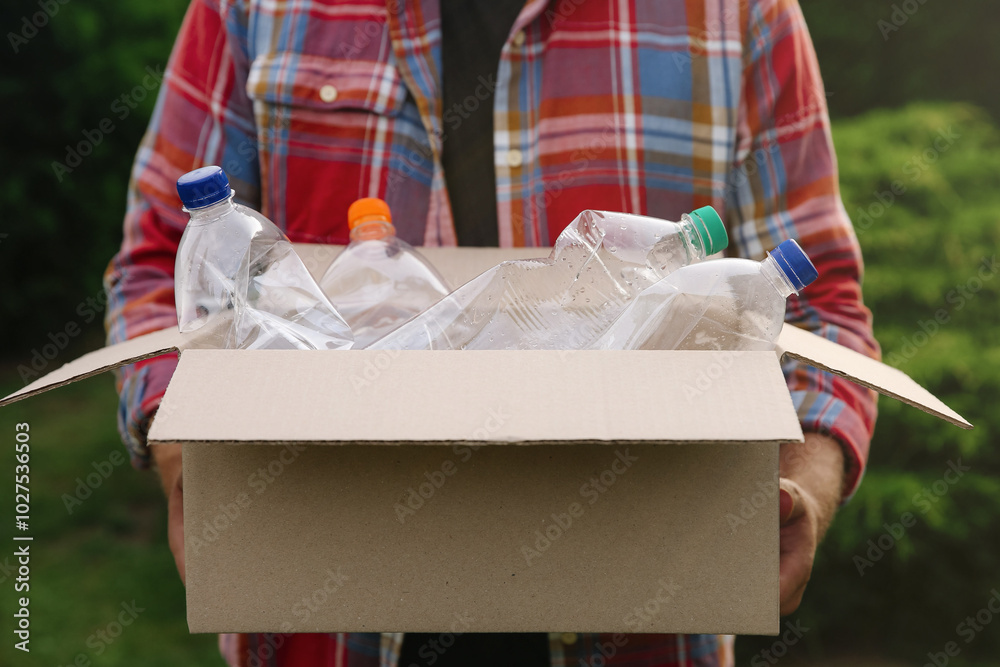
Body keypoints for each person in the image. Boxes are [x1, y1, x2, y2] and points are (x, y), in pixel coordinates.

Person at [104, 0, 879, 665]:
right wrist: (186, 458)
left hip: (648, 616)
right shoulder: (254, 8)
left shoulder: (737, 13)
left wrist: (801, 486)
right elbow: (155, 265)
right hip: (322, 621)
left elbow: (819, 309)